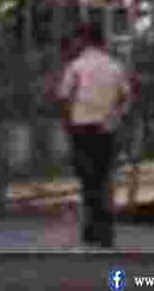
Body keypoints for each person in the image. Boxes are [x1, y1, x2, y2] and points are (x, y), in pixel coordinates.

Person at [57, 23, 133, 250]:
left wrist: (68, 124)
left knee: (88, 180)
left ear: (85, 40)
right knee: (102, 179)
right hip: (106, 129)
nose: (74, 44)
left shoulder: (76, 66)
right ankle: (103, 233)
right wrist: (115, 118)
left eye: (76, 39)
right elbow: (126, 97)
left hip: (81, 129)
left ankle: (92, 231)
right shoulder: (115, 67)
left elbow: (64, 97)